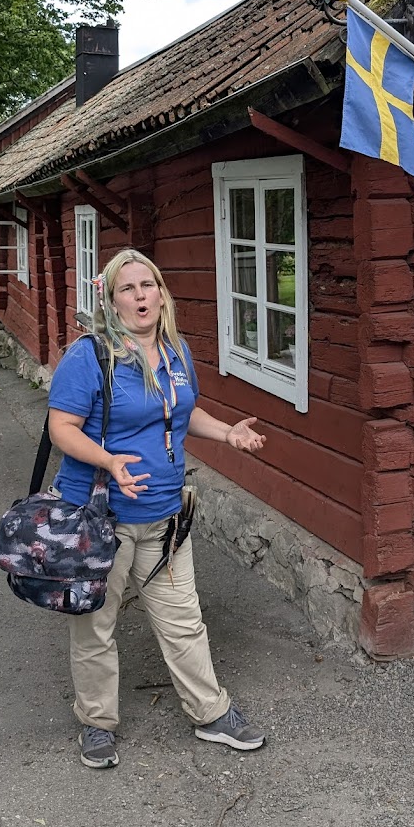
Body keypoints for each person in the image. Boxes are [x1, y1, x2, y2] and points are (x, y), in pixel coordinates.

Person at [48, 248, 267, 769]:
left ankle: (210, 711)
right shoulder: (91, 355)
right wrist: (109, 460)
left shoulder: (175, 350)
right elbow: (61, 428)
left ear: (162, 293)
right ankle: (96, 723)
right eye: (129, 288)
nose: (141, 295)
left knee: (183, 619)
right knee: (95, 627)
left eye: (149, 285)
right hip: (101, 519)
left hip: (166, 514)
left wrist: (227, 432)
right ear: (112, 300)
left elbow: (181, 414)